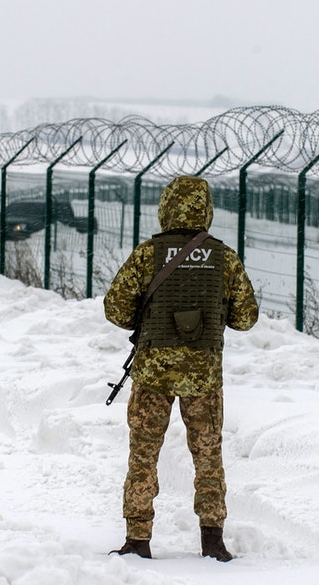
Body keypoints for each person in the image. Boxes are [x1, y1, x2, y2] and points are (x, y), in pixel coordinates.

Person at [103, 175, 259, 561]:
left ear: (166, 208)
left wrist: (150, 316)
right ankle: (213, 540)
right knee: (208, 456)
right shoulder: (223, 257)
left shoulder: (148, 254)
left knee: (143, 454)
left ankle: (138, 540)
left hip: (153, 371)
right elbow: (246, 318)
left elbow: (115, 308)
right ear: (206, 209)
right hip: (203, 374)